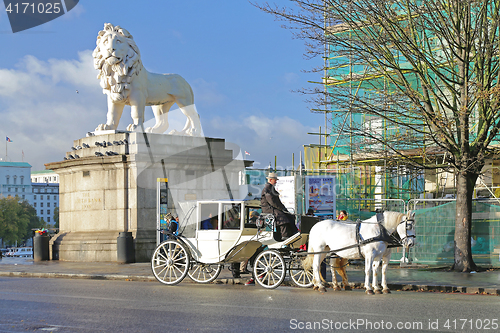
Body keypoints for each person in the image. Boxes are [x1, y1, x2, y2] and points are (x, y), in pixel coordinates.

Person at [260, 172, 298, 241]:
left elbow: (276, 202)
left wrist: (285, 209)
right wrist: (282, 209)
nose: (276, 181)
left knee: (289, 215)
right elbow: (272, 202)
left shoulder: (270, 188)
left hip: (273, 208)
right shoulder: (267, 188)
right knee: (281, 216)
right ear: (271, 180)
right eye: (275, 180)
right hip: (269, 208)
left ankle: (293, 232)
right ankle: (284, 235)